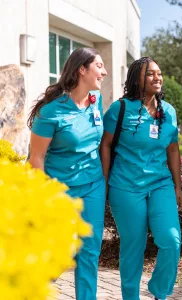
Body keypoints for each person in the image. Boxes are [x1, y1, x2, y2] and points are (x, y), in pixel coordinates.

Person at [100, 57, 182, 300]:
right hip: (126, 187)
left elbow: (172, 149)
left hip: (160, 185)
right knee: (133, 246)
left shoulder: (168, 111)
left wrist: (178, 185)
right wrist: (104, 182)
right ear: (137, 78)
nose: (157, 77)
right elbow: (105, 145)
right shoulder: (120, 109)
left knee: (171, 239)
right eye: (150, 74)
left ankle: (159, 291)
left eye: (159, 73)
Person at [27, 47, 107, 300]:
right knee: (59, 252)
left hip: (93, 185)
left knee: (90, 249)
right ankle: (28, 291)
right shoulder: (51, 111)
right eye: (99, 66)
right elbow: (36, 157)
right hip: (59, 189)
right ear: (82, 69)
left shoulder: (96, 102)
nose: (104, 72)